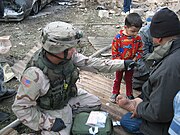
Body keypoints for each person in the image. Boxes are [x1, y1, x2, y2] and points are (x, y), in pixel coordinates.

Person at [12, 21, 135, 134]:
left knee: (95, 103)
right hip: (51, 108)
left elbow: (91, 63)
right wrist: (48, 122)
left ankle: (68, 114)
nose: (74, 50)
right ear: (57, 49)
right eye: (70, 48)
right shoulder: (35, 76)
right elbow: (20, 108)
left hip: (68, 95)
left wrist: (123, 64)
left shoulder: (67, 56)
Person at [116, 8, 180, 135]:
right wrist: (140, 99)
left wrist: (137, 107)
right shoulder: (172, 52)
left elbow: (160, 113)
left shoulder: (170, 67)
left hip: (165, 124)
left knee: (127, 121)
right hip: (163, 106)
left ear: (158, 39)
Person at [110, 13, 143, 103]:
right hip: (120, 63)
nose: (135, 33)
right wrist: (119, 62)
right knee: (118, 79)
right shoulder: (118, 38)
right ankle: (115, 92)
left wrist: (135, 59)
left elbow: (140, 51)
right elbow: (114, 52)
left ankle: (129, 94)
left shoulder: (137, 39)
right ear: (125, 27)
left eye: (137, 31)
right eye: (132, 31)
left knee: (129, 79)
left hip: (131, 63)